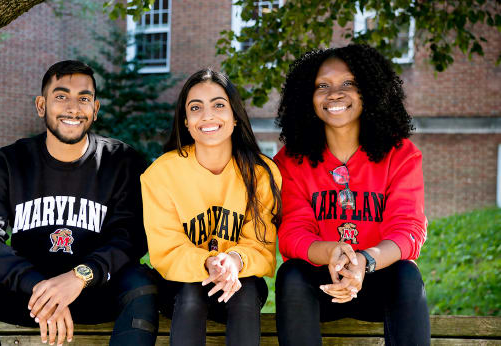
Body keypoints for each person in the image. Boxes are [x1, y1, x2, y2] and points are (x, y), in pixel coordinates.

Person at [0, 60, 158, 346]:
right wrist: (39, 286)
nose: (73, 108)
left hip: (94, 289)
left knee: (141, 284)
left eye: (83, 98)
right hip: (30, 294)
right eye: (61, 96)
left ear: (95, 109)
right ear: (41, 105)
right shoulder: (10, 161)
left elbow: (131, 238)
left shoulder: (121, 161)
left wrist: (80, 276)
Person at [274, 45, 430, 345]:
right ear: (307, 97)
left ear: (369, 91)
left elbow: (408, 230)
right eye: (322, 86)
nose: (335, 94)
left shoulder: (401, 155)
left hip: (377, 280)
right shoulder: (290, 161)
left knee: (407, 275)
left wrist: (364, 261)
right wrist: (332, 254)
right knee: (292, 274)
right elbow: (293, 233)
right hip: (321, 287)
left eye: (349, 83)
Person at [140, 69, 281, 346]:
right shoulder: (161, 173)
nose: (207, 115)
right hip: (180, 288)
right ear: (186, 121)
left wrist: (235, 261)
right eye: (196, 107)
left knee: (245, 289)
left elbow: (262, 248)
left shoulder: (261, 173)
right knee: (192, 292)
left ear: (235, 116)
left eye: (219, 104)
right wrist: (206, 263)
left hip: (241, 283)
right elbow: (165, 250)